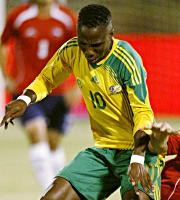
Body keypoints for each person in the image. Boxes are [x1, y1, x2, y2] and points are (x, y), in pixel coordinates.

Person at [1, 4, 163, 200]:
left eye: (96, 45)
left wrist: (137, 158)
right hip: (103, 152)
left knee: (136, 198)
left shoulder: (126, 59)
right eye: (84, 44)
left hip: (139, 151)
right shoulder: (72, 49)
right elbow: (46, 79)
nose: (89, 52)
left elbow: (143, 112)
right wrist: (24, 100)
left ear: (111, 33)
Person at [0, 0, 79, 190]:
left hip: (58, 91)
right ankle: (50, 192)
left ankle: (60, 188)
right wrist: (6, 76)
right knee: (37, 131)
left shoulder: (67, 18)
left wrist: (77, 86)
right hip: (26, 91)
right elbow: (3, 44)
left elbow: (80, 50)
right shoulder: (19, 16)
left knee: (53, 143)